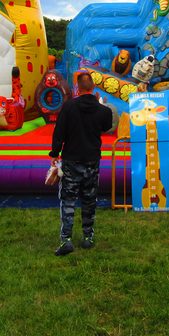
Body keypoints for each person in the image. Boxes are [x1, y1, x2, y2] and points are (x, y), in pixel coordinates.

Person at [49, 72, 113, 256]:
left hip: (71, 160)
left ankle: (66, 239)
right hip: (92, 160)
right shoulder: (103, 111)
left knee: (68, 200)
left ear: (77, 88)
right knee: (89, 198)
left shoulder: (69, 107)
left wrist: (54, 153)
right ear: (93, 88)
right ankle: (87, 237)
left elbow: (59, 131)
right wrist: (100, 104)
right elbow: (107, 126)